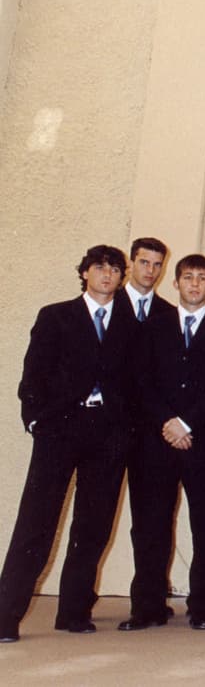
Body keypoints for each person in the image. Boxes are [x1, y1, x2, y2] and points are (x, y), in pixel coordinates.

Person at [0, 246, 137, 642]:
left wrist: (124, 428)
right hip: (59, 431)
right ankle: (7, 615)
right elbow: (33, 375)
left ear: (121, 276)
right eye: (99, 268)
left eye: (114, 269)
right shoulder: (56, 315)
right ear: (84, 273)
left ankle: (74, 612)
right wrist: (37, 421)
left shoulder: (130, 324)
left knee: (93, 526)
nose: (107, 275)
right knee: (36, 523)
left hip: (108, 433)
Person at [121, 254, 205, 632]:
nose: (194, 285)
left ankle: (202, 606)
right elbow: (140, 382)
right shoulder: (152, 327)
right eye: (187, 278)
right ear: (175, 283)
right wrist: (168, 422)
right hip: (158, 442)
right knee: (149, 525)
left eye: (202, 278)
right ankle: (148, 606)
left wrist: (188, 422)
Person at [124, 236, 173, 323]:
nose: (151, 270)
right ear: (131, 265)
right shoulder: (109, 303)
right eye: (144, 262)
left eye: (157, 264)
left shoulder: (170, 313)